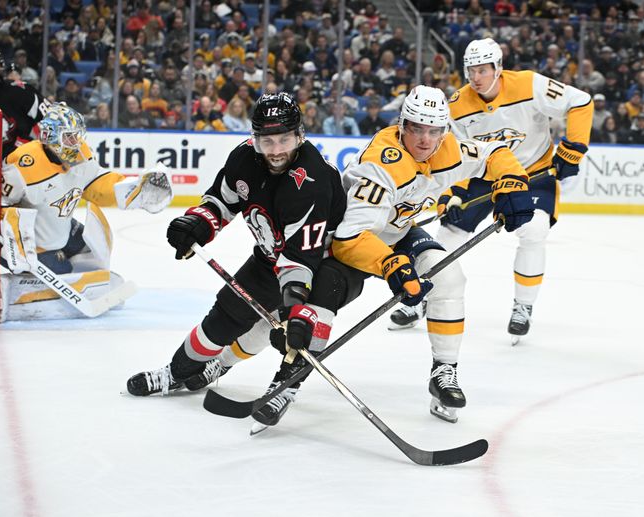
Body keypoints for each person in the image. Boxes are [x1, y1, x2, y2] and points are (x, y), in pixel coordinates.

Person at [227, 86, 533, 429]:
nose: (424, 139)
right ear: (402, 125)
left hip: (397, 234)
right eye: (416, 128)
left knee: (449, 278)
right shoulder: (381, 165)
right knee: (310, 315)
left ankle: (444, 371)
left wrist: (513, 181)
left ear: (445, 130)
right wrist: (390, 265)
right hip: (345, 242)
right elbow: (349, 239)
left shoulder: (450, 148)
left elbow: (495, 153)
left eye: (434, 130)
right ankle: (276, 381)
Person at [125, 93, 348, 408]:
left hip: (320, 264)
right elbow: (221, 201)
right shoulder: (243, 159)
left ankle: (280, 384)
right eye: (268, 142)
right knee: (223, 319)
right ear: (255, 139)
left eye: (284, 140)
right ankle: (176, 372)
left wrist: (291, 309)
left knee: (300, 329)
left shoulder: (313, 179)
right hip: (269, 257)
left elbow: (300, 257)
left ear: (299, 135)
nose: (277, 150)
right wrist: (198, 225)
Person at [388, 39, 593, 346]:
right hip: (484, 175)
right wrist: (450, 195)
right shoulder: (456, 105)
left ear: (498, 67)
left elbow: (580, 101)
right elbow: (451, 156)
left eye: (483, 70)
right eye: (471, 70)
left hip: (532, 174)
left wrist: (573, 148)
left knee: (534, 230)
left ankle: (523, 306)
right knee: (447, 236)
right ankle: (426, 299)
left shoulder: (529, 84)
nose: (476, 77)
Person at [0, 103, 172, 312]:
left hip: (62, 227)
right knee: (65, 271)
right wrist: (13, 244)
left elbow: (95, 182)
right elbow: (0, 204)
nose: (76, 142)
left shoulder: (80, 152)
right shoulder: (21, 165)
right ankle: (31, 285)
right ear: (51, 137)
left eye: (77, 136)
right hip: (34, 243)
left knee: (93, 251)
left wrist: (133, 191)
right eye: (69, 137)